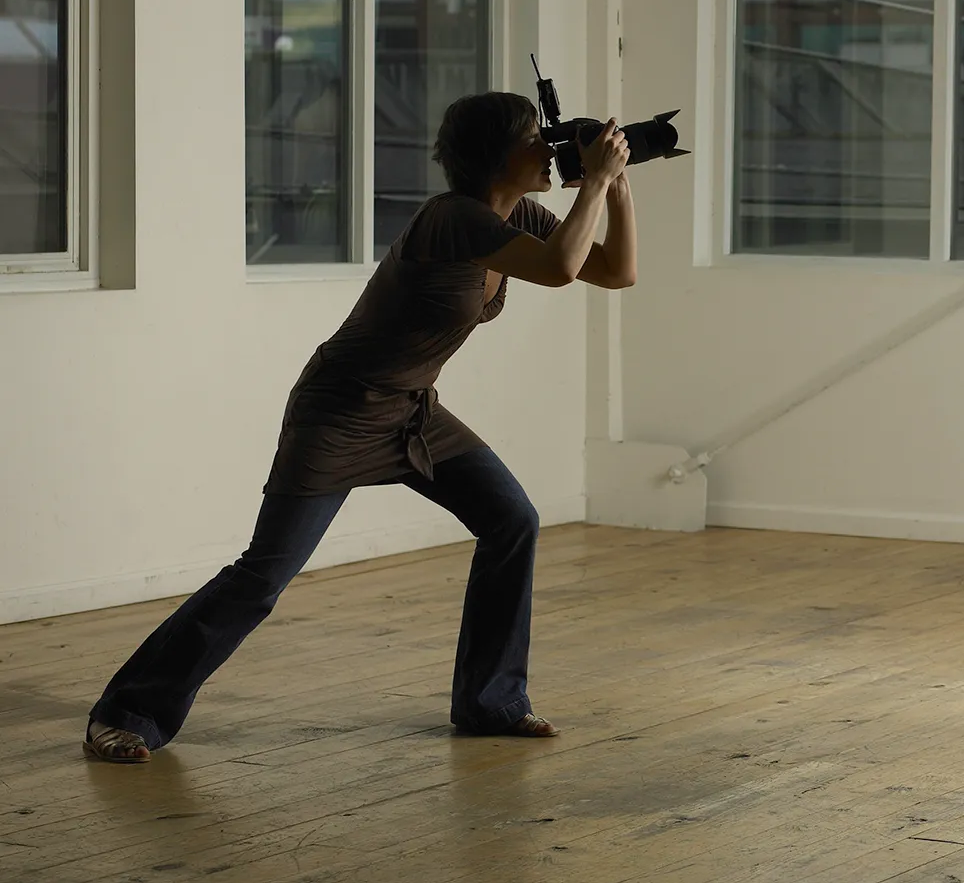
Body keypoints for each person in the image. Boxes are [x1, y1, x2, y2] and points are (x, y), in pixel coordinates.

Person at [82, 93, 637, 762]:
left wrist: (620, 190)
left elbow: (615, 270)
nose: (549, 148)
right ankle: (127, 711)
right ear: (495, 155)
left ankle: (491, 702)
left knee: (511, 518)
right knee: (263, 575)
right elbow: (560, 269)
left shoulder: (515, 212)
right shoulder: (452, 218)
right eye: (534, 139)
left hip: (413, 410)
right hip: (340, 409)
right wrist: (597, 182)